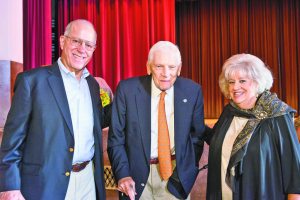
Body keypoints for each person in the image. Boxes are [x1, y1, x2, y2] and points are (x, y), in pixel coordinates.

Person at [0, 19, 110, 200]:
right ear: (62, 41)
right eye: (76, 41)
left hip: (88, 181)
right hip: (46, 184)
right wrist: (9, 186)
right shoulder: (32, 82)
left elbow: (96, 125)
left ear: (93, 49)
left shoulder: (92, 85)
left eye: (88, 45)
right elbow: (12, 142)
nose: (82, 49)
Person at [108, 41, 207, 199]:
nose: (166, 73)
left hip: (174, 176)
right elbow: (115, 139)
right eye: (159, 66)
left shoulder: (192, 91)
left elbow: (197, 136)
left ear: (179, 68)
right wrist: (123, 174)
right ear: (148, 67)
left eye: (172, 67)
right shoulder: (127, 90)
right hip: (135, 177)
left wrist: (186, 172)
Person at [206, 54, 300, 200]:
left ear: (257, 82)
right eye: (231, 82)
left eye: (242, 81)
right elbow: (214, 140)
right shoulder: (229, 112)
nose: (235, 87)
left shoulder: (277, 114)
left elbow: (293, 168)